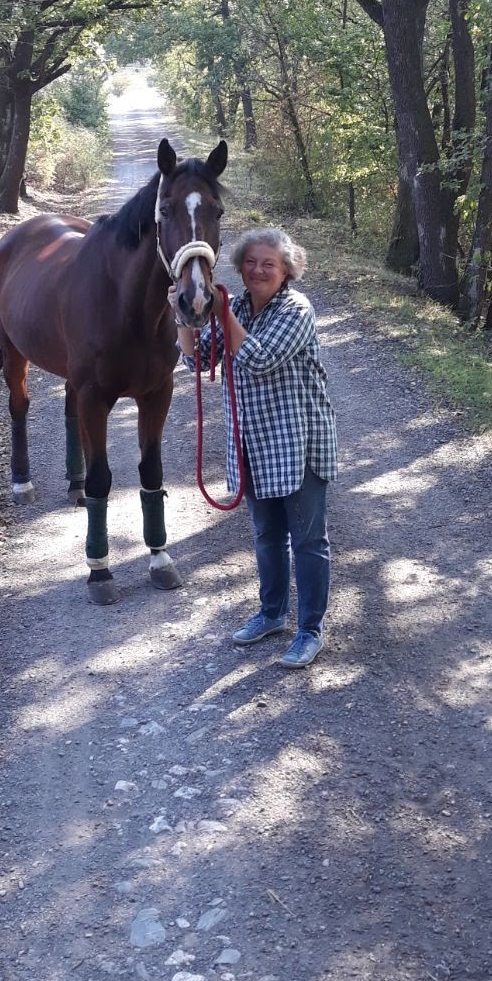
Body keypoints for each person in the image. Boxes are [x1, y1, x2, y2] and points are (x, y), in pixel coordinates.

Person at [175, 227, 337, 668]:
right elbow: (199, 359)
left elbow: (261, 359)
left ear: (287, 270)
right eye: (251, 262)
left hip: (298, 443)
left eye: (269, 263)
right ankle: (271, 614)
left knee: (307, 541)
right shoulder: (239, 305)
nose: (258, 270)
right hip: (253, 443)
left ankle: (309, 630)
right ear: (240, 268)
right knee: (267, 537)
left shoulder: (297, 309)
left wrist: (221, 311)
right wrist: (185, 314)